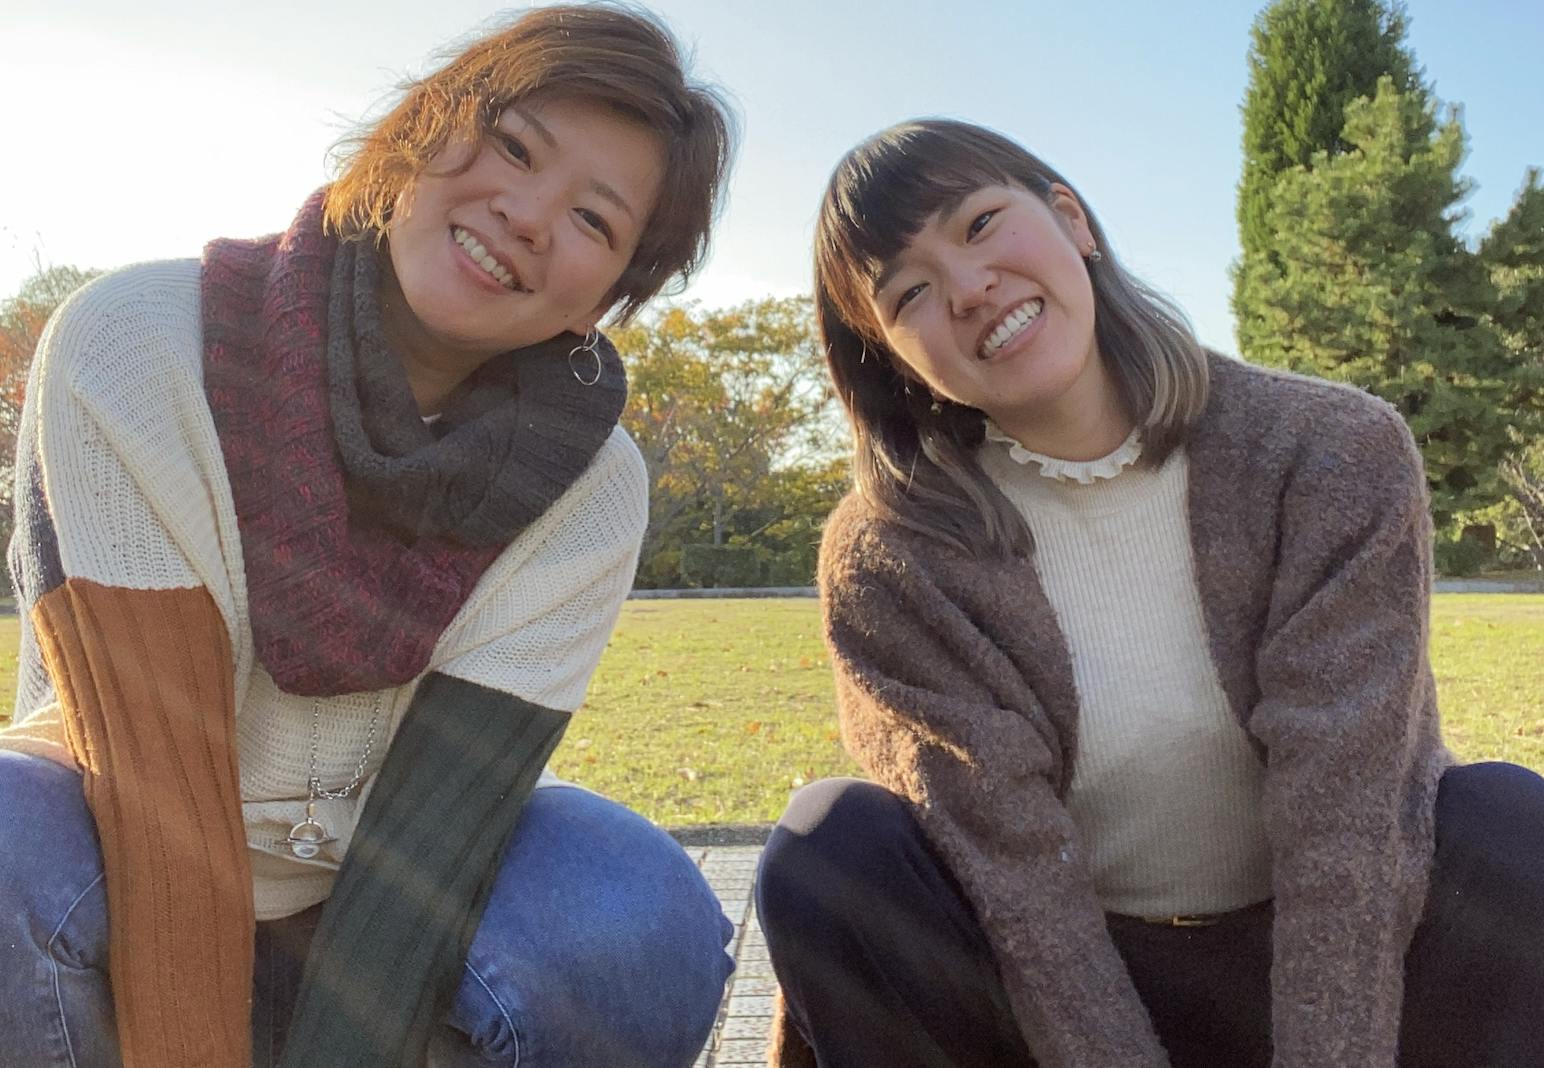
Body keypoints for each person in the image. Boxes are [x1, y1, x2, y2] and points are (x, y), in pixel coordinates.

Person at [0, 6, 737, 1067]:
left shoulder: (592, 486)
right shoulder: (140, 344)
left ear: (608, 299)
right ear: (414, 134)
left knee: (633, 906)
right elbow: (157, 794)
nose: (527, 214)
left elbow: (435, 844)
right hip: (115, 869)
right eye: (513, 147)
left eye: (593, 219)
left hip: (383, 900)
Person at [753, 118, 1544, 1068]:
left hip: (1332, 972)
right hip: (1057, 995)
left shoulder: (1329, 452)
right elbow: (1013, 873)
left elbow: (1349, 809)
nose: (967, 289)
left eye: (979, 224)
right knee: (832, 847)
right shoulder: (891, 553)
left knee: (1507, 823)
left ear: (1071, 220)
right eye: (909, 292)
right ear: (889, 355)